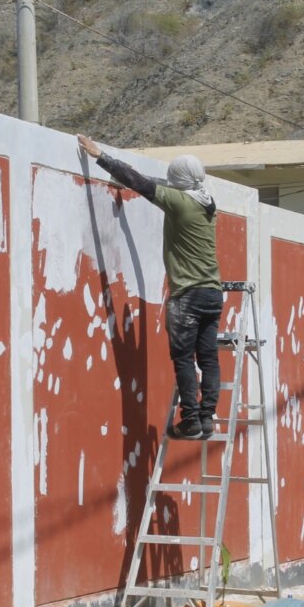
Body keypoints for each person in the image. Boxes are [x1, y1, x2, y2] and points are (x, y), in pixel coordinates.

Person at [77, 134, 222, 440]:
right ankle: (207, 416)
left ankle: (191, 420)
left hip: (188, 296)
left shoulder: (178, 203)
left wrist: (99, 156)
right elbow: (162, 182)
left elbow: (138, 182)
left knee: (184, 357)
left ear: (178, 181)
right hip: (212, 293)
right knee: (208, 357)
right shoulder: (207, 201)